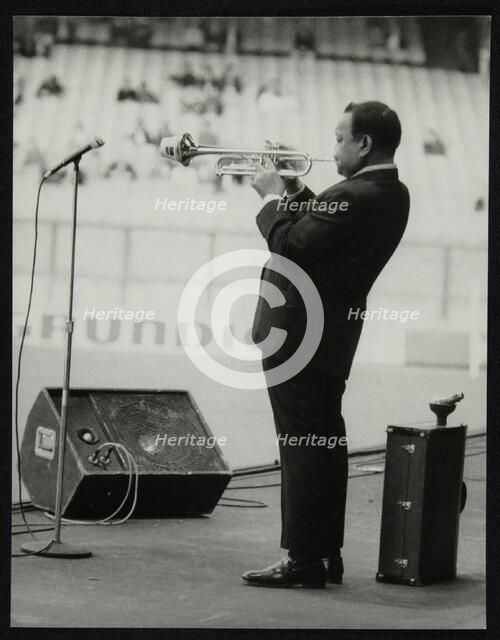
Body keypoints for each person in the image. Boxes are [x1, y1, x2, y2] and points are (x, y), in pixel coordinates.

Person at [242, 101, 410, 588]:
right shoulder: (383, 190)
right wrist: (295, 188)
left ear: (364, 143)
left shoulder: (361, 194)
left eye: (340, 139)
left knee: (301, 444)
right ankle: (322, 553)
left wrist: (271, 199)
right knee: (322, 442)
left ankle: (304, 558)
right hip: (328, 336)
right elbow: (322, 230)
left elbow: (292, 243)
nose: (332, 147)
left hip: (302, 335)